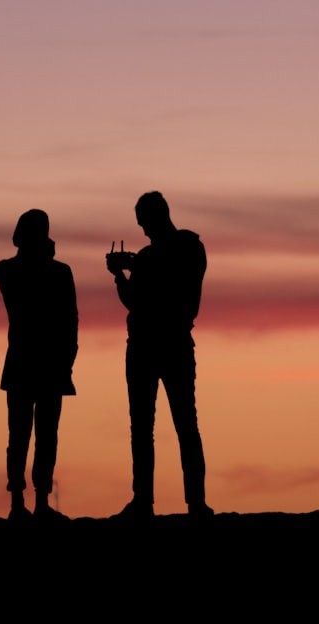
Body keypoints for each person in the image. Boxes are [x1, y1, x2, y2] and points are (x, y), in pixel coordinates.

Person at [106, 191, 213, 518]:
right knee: (144, 425)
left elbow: (173, 284)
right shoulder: (154, 255)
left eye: (144, 223)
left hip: (169, 343)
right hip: (145, 345)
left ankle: (194, 502)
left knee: (182, 423)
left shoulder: (188, 247)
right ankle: (145, 501)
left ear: (156, 217)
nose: (142, 231)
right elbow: (135, 301)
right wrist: (121, 276)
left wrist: (135, 267)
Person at [0, 209, 78, 522]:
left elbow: (70, 320)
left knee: (28, 434)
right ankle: (29, 501)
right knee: (37, 434)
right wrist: (68, 358)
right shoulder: (53, 272)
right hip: (42, 362)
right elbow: (70, 320)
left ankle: (26, 501)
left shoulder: (10, 269)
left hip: (33, 361)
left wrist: (67, 358)